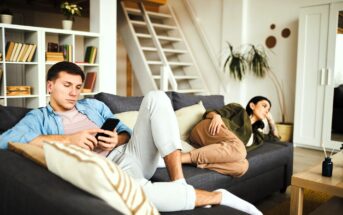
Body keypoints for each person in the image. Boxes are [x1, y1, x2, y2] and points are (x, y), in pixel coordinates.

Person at [0, 62, 262, 215]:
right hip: (107, 170)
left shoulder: (92, 106)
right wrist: (68, 140)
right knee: (134, 196)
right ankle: (218, 196)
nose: (73, 93)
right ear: (50, 86)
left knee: (157, 97)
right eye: (66, 85)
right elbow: (6, 142)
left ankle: (179, 181)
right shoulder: (38, 119)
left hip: (129, 154)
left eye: (77, 87)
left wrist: (117, 139)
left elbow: (126, 131)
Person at [181, 96, 280, 177]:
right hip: (209, 129)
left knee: (243, 166)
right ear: (252, 105)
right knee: (240, 149)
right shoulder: (239, 110)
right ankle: (181, 158)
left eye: (269, 110)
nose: (267, 111)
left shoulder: (257, 135)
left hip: (214, 148)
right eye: (264, 106)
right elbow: (212, 112)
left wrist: (271, 121)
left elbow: (275, 138)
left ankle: (198, 161)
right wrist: (216, 116)